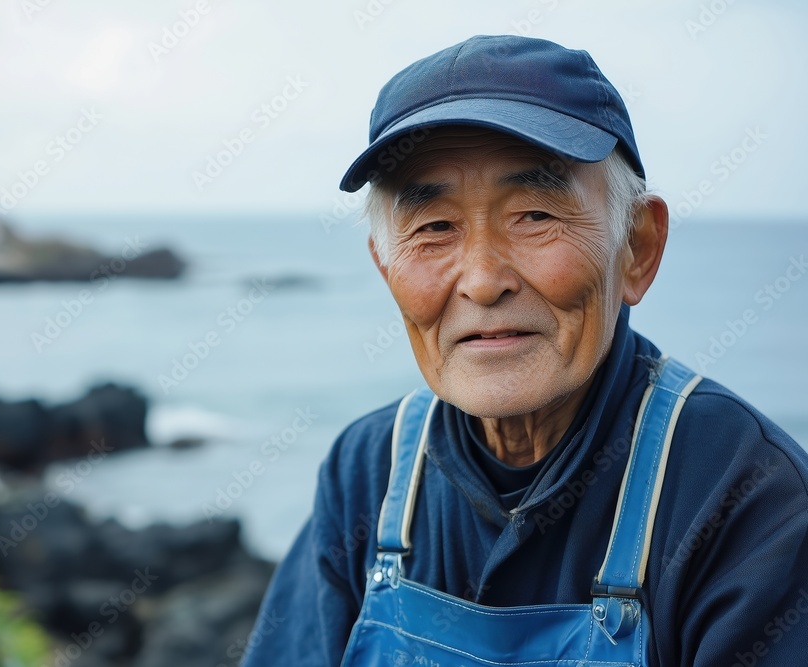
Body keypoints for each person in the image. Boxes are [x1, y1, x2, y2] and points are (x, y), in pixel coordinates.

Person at [241, 34, 808, 667]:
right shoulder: (366, 473)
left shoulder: (746, 497)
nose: (483, 281)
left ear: (638, 249)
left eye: (536, 215)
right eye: (433, 229)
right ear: (385, 267)